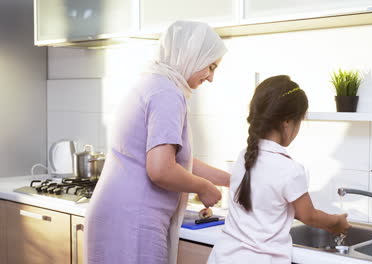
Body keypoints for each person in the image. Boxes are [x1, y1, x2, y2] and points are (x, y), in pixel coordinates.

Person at [85, 21, 230, 264]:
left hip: (120, 216)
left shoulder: (155, 84)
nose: (211, 77)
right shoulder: (167, 94)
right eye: (210, 66)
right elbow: (161, 169)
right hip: (134, 220)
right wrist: (203, 187)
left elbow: (174, 159)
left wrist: (229, 180)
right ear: (191, 56)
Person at [207, 75, 350, 263]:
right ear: (288, 122)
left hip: (223, 257)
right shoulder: (290, 169)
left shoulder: (244, 156)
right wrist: (336, 222)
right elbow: (308, 215)